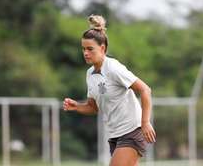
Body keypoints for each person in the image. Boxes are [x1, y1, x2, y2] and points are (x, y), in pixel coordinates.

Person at [63, 14, 156, 166]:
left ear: (102, 48)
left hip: (132, 131)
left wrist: (145, 122)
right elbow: (93, 108)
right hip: (115, 136)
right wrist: (77, 106)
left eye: (90, 49)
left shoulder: (113, 68)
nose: (85, 53)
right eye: (83, 49)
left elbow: (145, 90)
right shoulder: (90, 74)